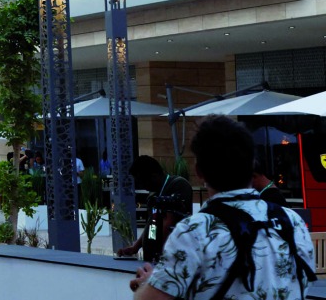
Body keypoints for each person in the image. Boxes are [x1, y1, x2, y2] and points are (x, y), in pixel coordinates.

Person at [129, 115, 315, 300]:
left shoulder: (195, 231)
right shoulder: (293, 223)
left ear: (198, 171)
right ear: (252, 165)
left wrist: (151, 283)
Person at [117, 154, 194, 260]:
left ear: (153, 175)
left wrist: (163, 257)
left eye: (141, 181)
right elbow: (151, 224)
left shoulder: (178, 185)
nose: (142, 186)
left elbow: (169, 222)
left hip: (170, 260)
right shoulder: (154, 195)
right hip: (152, 260)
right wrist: (135, 247)